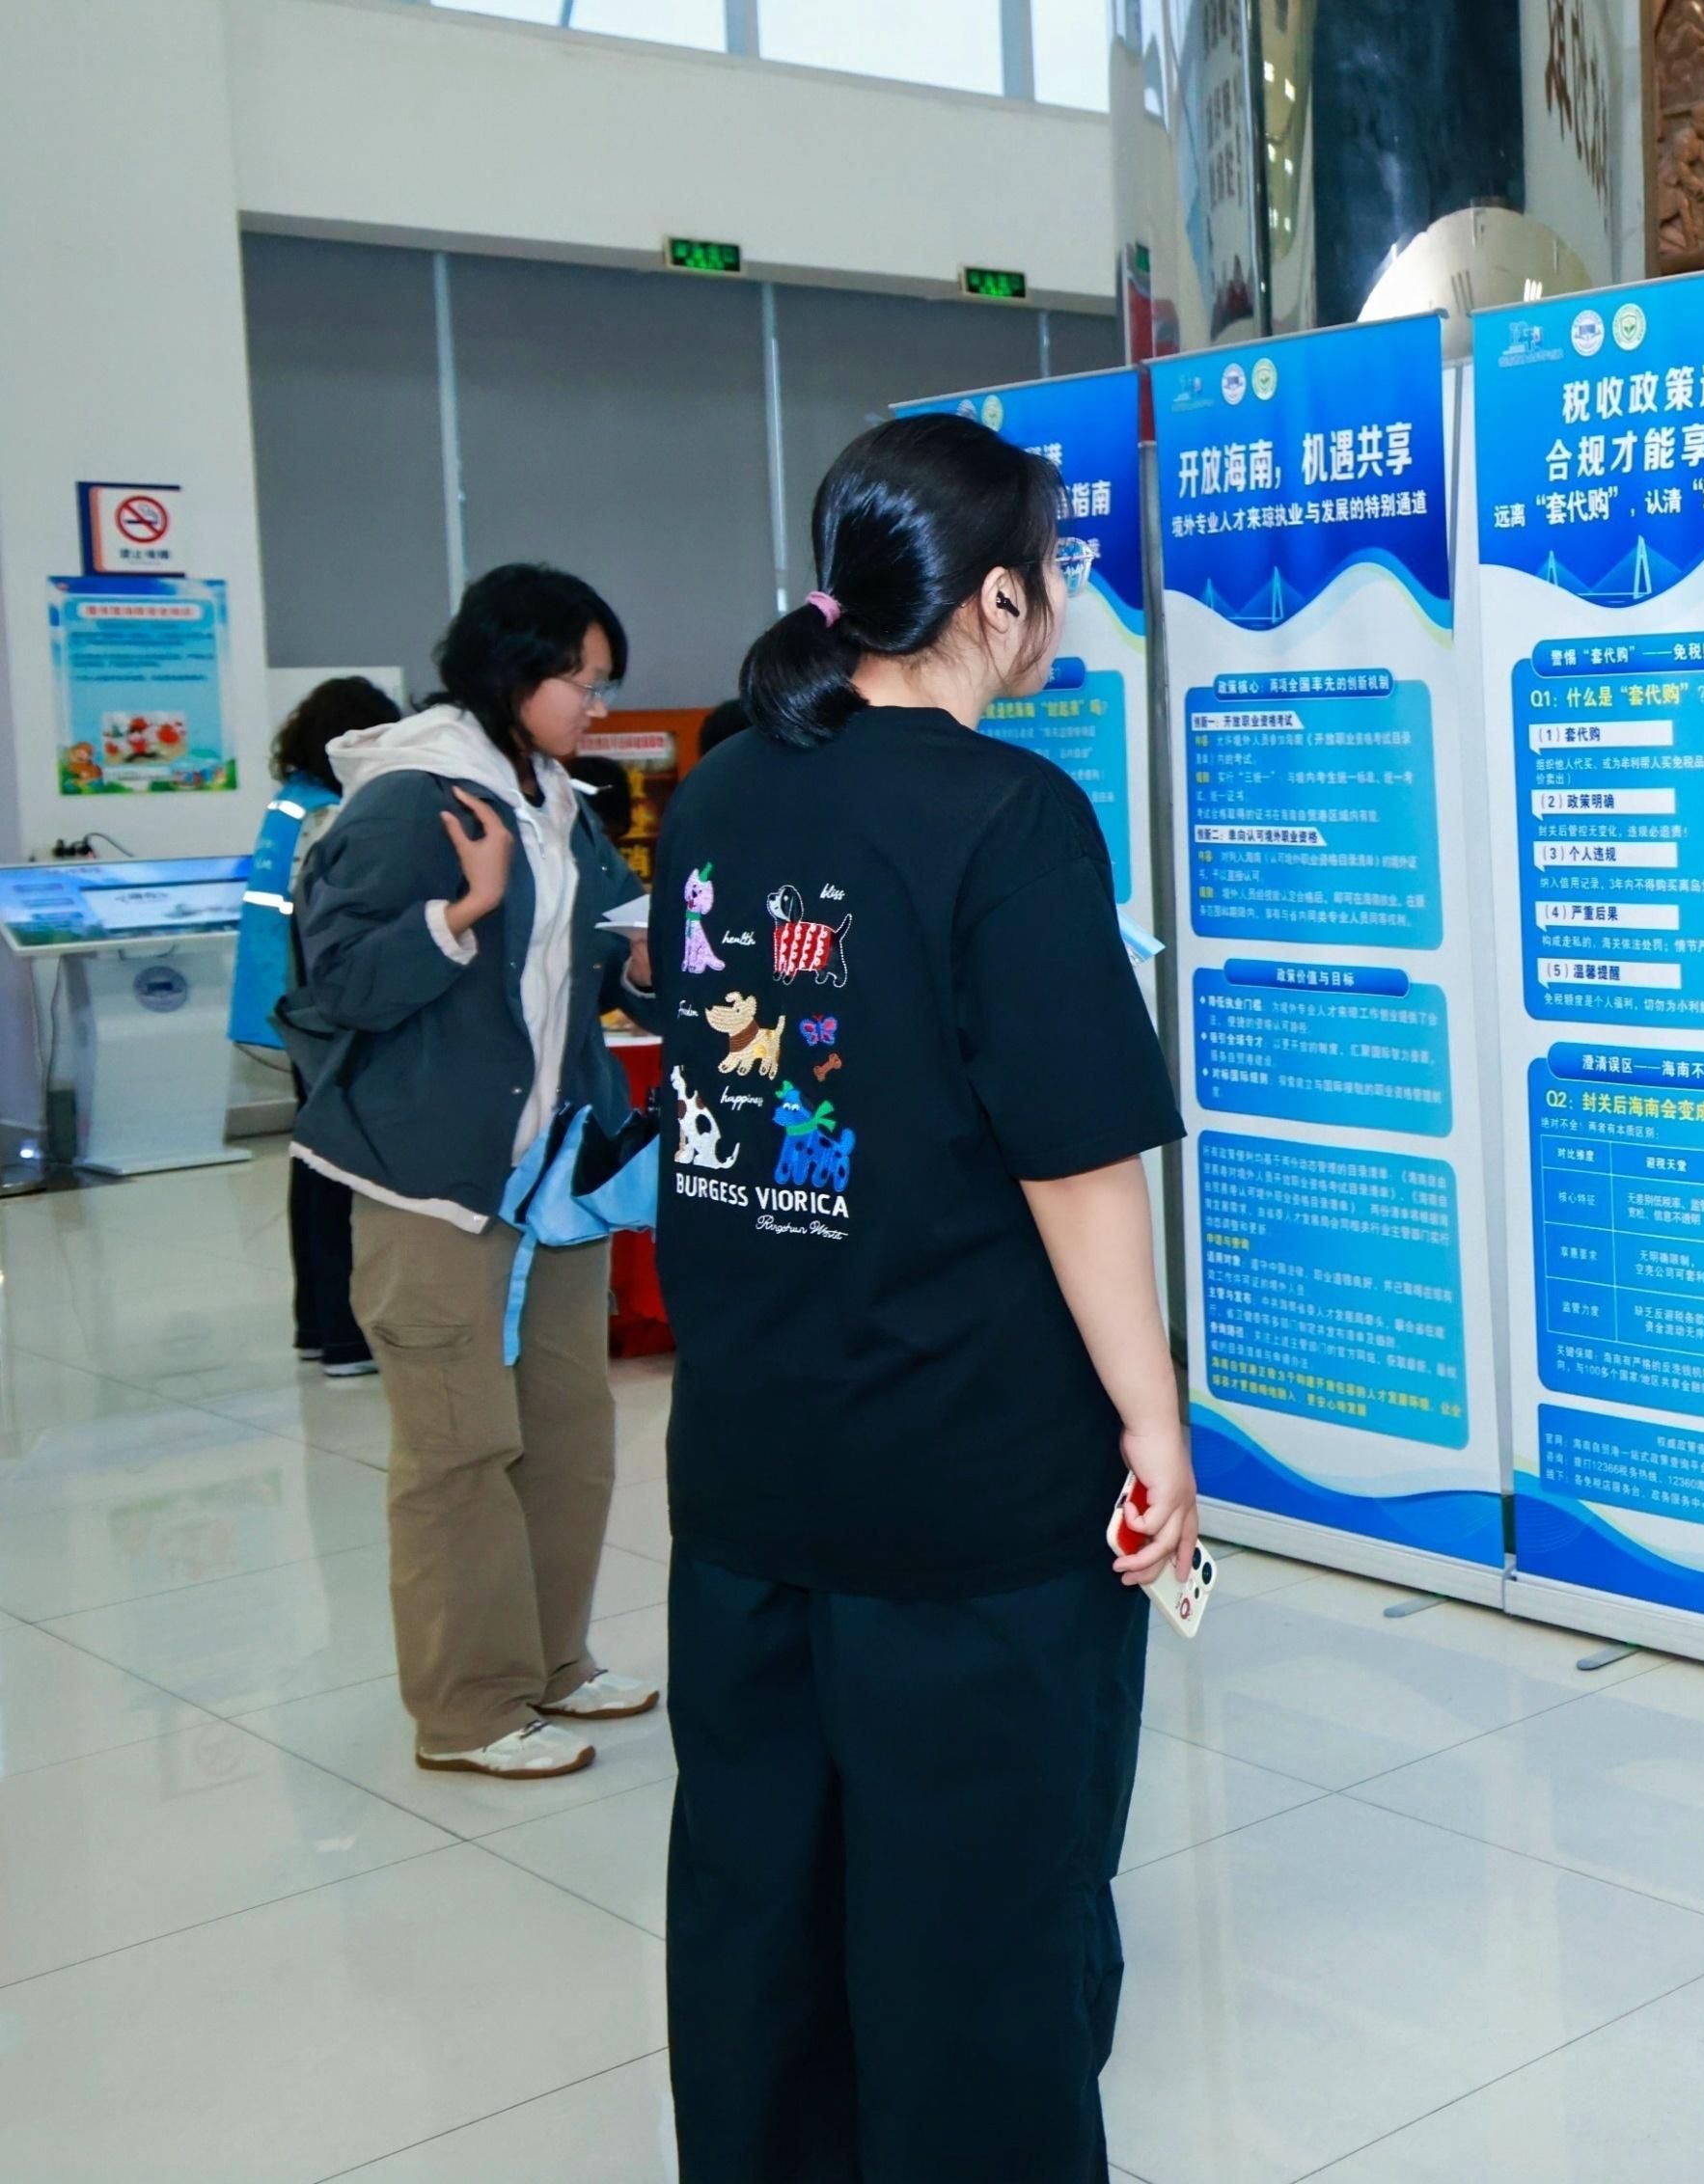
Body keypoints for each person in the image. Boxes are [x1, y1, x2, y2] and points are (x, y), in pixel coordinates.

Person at [653, 413, 1189, 2180]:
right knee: (976, 1938)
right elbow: (1077, 1161)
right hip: (969, 1491)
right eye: (1060, 566)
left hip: (749, 1470)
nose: (1066, 599)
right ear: (1001, 599)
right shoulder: (1011, 817)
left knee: (764, 1913)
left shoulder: (724, 791)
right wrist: (1154, 1424)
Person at [283, 567, 662, 1781]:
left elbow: (599, 961)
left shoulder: (558, 797)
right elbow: (335, 983)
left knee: (567, 1431)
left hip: (553, 1176)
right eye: (581, 681)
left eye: (603, 683)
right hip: (434, 1176)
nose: (597, 706)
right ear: (513, 672)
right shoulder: (413, 799)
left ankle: (551, 1662)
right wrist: (464, 911)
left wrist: (644, 961)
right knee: (458, 1447)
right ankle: (467, 1708)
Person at [234, 672, 402, 1377]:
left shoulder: (291, 803)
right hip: (322, 1010)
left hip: (282, 999)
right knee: (340, 1168)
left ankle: (316, 1324)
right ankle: (345, 1335)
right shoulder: (334, 813)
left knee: (312, 1164)